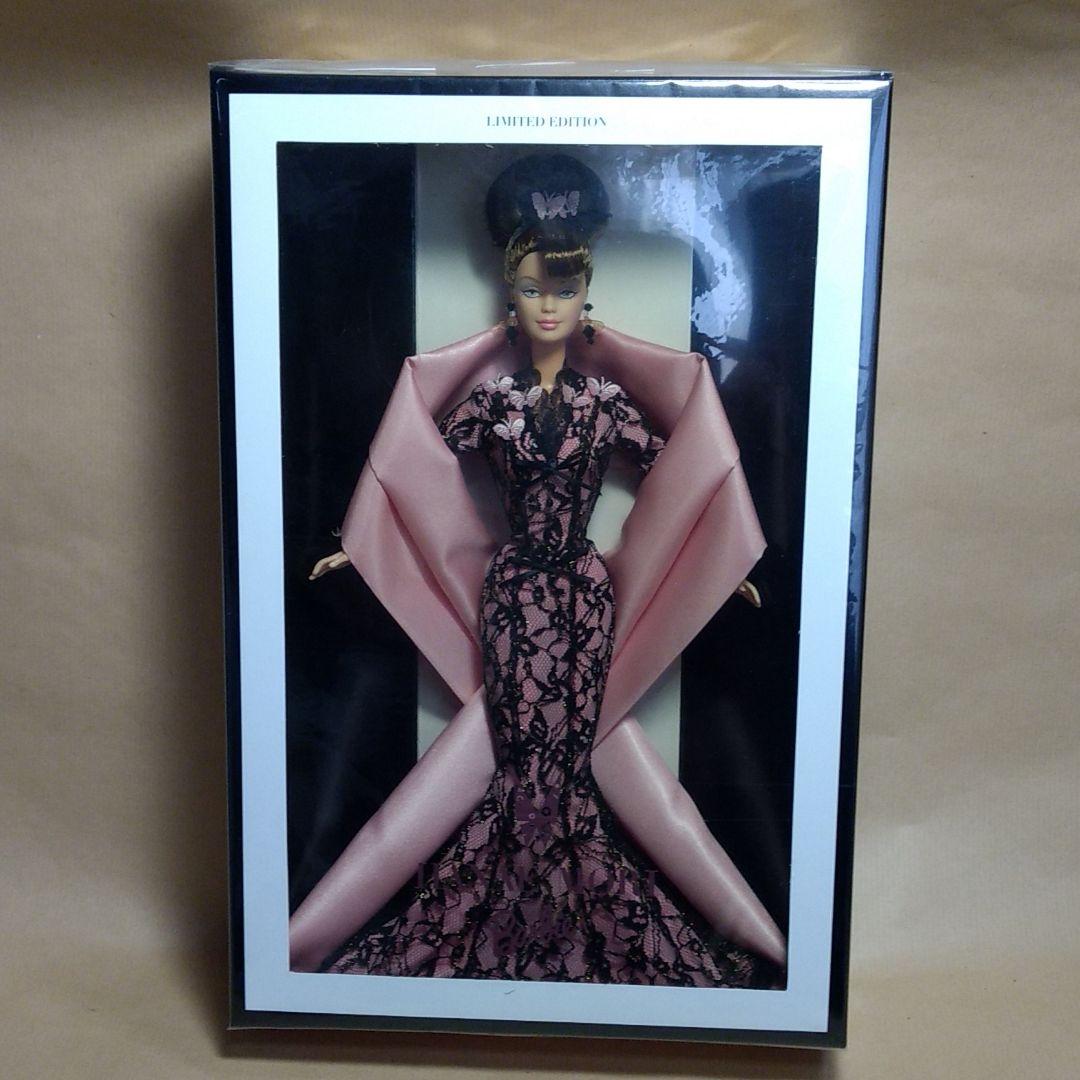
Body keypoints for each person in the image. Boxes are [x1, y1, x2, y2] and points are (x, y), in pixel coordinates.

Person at [289, 153, 785, 984]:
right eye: (530, 289)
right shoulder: (493, 403)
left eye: (563, 289)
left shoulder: (607, 404)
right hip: (513, 592)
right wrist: (362, 540)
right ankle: (506, 911)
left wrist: (715, 564)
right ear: (509, 296)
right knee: (520, 758)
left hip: (585, 595)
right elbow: (414, 469)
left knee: (570, 758)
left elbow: (682, 472)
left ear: (586, 296)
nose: (547, 305)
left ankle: (568, 914)